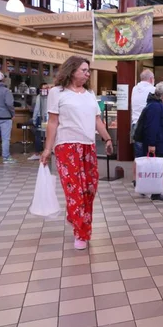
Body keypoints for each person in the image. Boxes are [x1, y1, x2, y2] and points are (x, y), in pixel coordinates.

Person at [40, 56, 113, 250]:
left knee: (89, 190)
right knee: (75, 191)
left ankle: (75, 217)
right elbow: (53, 122)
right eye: (84, 70)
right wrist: (47, 149)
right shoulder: (58, 93)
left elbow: (97, 120)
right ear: (72, 71)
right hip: (66, 147)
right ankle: (81, 233)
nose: (88, 74)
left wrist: (107, 139)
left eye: (88, 70)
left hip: (88, 147)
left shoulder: (89, 94)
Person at [142, 82, 163, 202]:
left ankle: (156, 192)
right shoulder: (156, 107)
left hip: (160, 141)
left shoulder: (157, 105)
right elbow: (152, 126)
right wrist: (152, 144)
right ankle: (155, 193)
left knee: (158, 167)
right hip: (158, 142)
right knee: (157, 168)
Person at [131, 69, 155, 185]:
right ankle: (146, 179)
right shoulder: (152, 90)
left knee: (138, 154)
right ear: (151, 79)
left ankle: (136, 179)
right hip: (146, 125)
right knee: (148, 154)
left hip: (135, 123)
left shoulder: (135, 89)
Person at [28, 82, 49, 161]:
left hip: (41, 118)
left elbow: (36, 109)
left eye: (46, 88)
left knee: (38, 135)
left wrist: (34, 119)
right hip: (48, 118)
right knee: (47, 135)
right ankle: (46, 152)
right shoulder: (52, 96)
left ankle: (38, 153)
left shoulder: (39, 97)